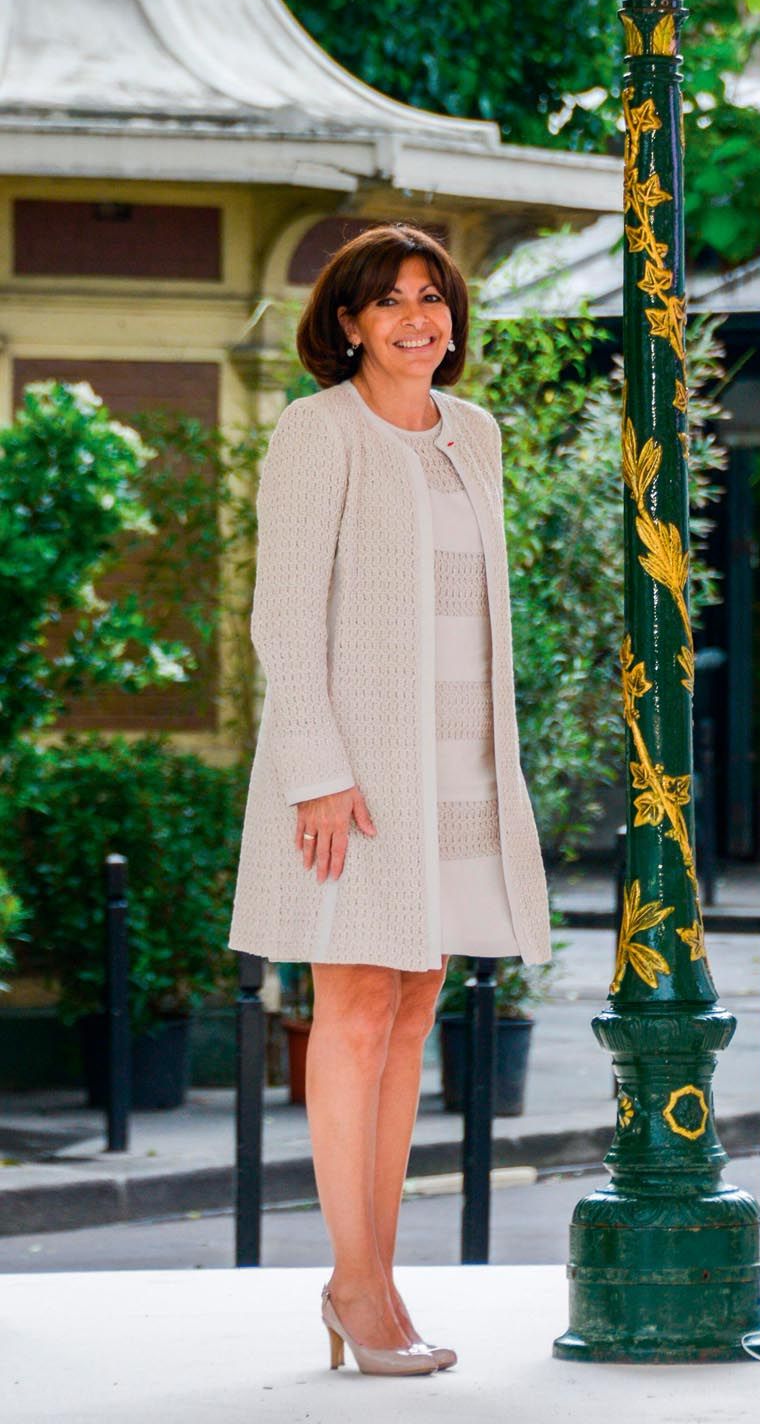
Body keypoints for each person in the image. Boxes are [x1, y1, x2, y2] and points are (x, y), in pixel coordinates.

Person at [229, 223, 550, 1376]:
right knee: (354, 1004)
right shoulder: (318, 433)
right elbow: (282, 615)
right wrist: (314, 767)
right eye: (391, 300)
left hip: (453, 768)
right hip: (351, 780)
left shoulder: (476, 432)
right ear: (350, 323)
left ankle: (375, 1277)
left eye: (434, 296)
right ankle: (355, 1285)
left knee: (413, 1008)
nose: (419, 316)